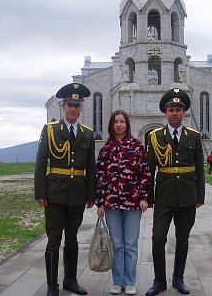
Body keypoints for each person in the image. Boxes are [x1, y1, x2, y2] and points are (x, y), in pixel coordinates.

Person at [34, 83, 95, 296]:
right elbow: (41, 162)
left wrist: (91, 193)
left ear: (81, 108)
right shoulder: (50, 130)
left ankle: (70, 280)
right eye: (70, 105)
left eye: (77, 105)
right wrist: (40, 192)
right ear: (63, 106)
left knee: (72, 237)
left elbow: (90, 166)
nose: (73, 109)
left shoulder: (87, 134)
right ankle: (52, 286)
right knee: (53, 239)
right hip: (55, 193)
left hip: (77, 193)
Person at [146, 88, 205, 296]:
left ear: (184, 112)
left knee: (182, 238)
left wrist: (200, 196)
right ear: (165, 112)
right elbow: (149, 168)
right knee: (157, 238)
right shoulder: (155, 137)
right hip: (163, 195)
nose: (174, 113)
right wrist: (148, 197)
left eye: (178, 109)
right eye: (171, 109)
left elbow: (199, 167)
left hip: (188, 195)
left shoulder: (194, 136)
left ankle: (178, 279)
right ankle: (159, 281)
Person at [95, 110, 151, 295]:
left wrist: (144, 197)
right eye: (116, 122)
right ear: (111, 125)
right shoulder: (106, 149)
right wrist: (100, 203)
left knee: (131, 244)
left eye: (122, 122)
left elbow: (144, 173)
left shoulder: (136, 146)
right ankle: (118, 282)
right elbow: (100, 177)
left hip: (133, 203)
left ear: (127, 124)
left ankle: (130, 281)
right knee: (117, 244)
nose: (119, 125)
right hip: (111, 204)